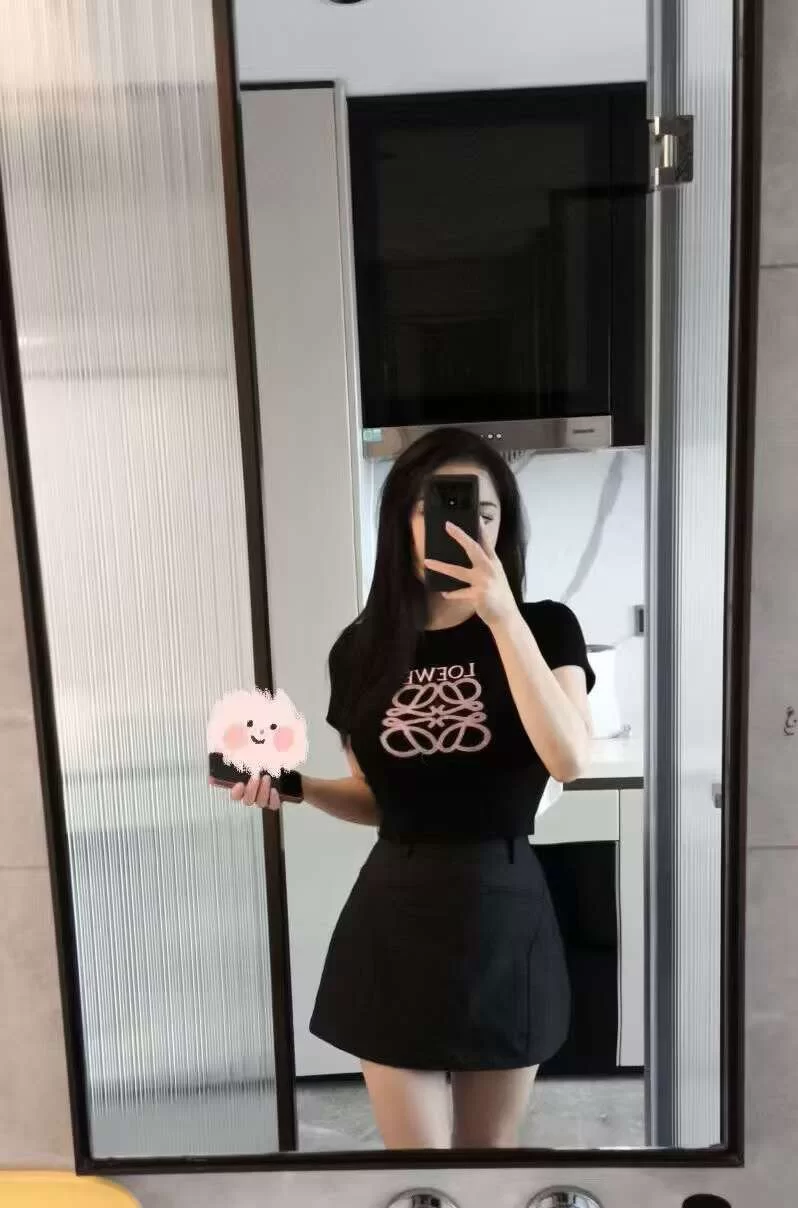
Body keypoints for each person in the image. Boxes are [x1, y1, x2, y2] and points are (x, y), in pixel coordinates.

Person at [214, 427, 595, 1149]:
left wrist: (502, 616)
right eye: (436, 507)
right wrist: (297, 786)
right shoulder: (360, 649)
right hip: (394, 911)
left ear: (503, 525)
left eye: (484, 511)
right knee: (415, 1164)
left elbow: (570, 758)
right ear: (401, 520)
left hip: (503, 909)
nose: (463, 524)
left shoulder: (546, 627)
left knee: (487, 1162)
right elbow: (378, 801)